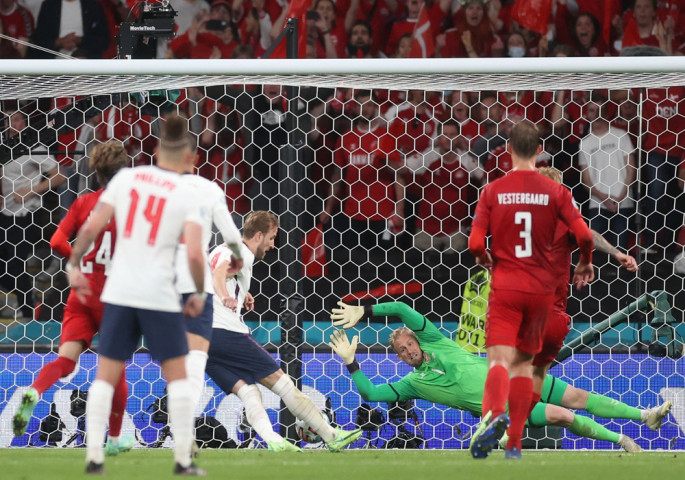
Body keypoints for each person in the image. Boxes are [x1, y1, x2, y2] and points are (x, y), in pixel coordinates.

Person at [328, 301, 672, 452]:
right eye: (402, 351)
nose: (407, 351)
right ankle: (622, 441)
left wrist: (364, 311)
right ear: (400, 359)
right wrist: (351, 362)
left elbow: (402, 309)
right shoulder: (412, 384)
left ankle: (646, 416)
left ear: (417, 340)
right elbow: (371, 394)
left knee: (578, 398)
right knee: (564, 416)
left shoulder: (435, 339)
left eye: (409, 344)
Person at [66, 115, 208, 475]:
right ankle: (182, 460)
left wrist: (73, 263)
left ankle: (94, 457)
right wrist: (198, 292)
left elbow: (91, 226)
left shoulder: (128, 179)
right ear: (189, 156)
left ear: (156, 150)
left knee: (106, 374)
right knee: (177, 376)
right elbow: (194, 254)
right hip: (159, 294)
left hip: (120, 291)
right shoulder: (186, 193)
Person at [468, 120, 595, 459]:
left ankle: (496, 414)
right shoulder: (556, 192)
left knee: (499, 361)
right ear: (539, 151)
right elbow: (584, 235)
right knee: (526, 367)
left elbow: (475, 243)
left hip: (507, 286)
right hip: (541, 293)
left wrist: (484, 258)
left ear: (509, 149)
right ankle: (514, 441)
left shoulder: (493, 190)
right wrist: (584, 262)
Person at [11, 142, 134, 455]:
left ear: (96, 172)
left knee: (65, 360)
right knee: (116, 369)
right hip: (114, 297)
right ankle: (115, 439)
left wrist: (81, 260)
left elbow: (56, 241)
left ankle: (34, 391)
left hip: (81, 292)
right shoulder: (131, 208)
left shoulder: (83, 203)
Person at [205, 211, 363, 452]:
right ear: (258, 235)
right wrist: (226, 295)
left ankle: (274, 441)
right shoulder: (243, 253)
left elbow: (211, 276)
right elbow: (220, 273)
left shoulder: (221, 248)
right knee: (284, 385)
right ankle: (331, 435)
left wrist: (241, 292)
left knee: (248, 391)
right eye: (271, 238)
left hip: (200, 339)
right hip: (225, 331)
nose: (272, 245)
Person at [174, 135, 244, 420]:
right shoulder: (207, 189)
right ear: (195, 158)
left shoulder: (155, 188)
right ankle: (183, 428)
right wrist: (238, 256)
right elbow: (231, 234)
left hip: (158, 281)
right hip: (193, 281)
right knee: (196, 357)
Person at [1, 107, 67, 319]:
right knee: (6, 266)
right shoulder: (3, 146)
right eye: (7, 120)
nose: (12, 124)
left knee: (15, 264)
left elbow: (60, 175)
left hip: (25, 214)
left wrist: (30, 191)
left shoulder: (33, 147)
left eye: (16, 119)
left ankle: (28, 311)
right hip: (4, 212)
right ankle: (26, 299)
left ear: (25, 123)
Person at [578, 94, 636, 251]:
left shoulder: (621, 135)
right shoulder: (584, 143)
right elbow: (586, 179)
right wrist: (603, 198)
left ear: (606, 112)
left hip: (623, 202)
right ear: (587, 113)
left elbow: (631, 169)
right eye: (592, 110)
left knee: (620, 251)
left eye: (600, 110)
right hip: (597, 203)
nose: (596, 115)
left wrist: (621, 196)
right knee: (593, 251)